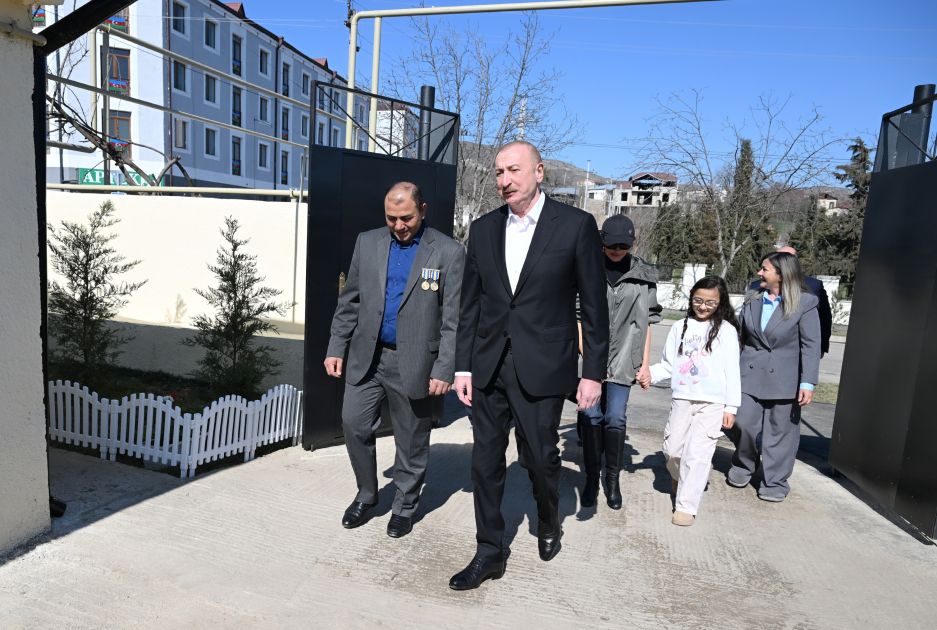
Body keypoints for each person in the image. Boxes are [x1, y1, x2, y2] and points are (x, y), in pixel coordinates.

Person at [448, 141, 609, 590]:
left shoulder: (575, 226)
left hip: (544, 364)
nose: (505, 180)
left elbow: (594, 307)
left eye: (513, 170)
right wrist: (463, 367)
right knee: (484, 461)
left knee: (539, 458)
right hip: (488, 365)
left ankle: (548, 516)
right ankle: (489, 550)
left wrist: (592, 373)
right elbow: (470, 305)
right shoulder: (483, 229)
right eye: (499, 172)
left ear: (539, 172)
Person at [324, 181, 465, 538]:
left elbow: (453, 319)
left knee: (411, 440)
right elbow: (350, 301)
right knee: (353, 423)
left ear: (423, 210)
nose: (399, 225)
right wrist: (336, 347)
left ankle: (404, 505)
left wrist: (445, 367)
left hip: (414, 361)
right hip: (368, 357)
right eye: (391, 218)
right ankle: (367, 493)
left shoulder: (448, 252)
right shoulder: (367, 242)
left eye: (406, 218)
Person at [642, 276, 741, 526]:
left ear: (720, 303)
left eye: (710, 302)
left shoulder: (727, 331)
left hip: (713, 403)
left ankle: (686, 506)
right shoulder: (680, 327)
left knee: (698, 454)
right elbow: (669, 364)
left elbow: (732, 371)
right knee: (672, 450)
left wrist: (731, 407)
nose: (703, 306)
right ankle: (679, 477)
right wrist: (649, 374)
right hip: (682, 399)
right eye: (698, 300)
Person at [578, 214, 661, 510]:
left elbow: (648, 321)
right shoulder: (588, 267)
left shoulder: (644, 275)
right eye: (612, 244)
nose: (616, 250)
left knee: (615, 417)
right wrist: (587, 356)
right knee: (591, 416)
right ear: (602, 241)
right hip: (590, 358)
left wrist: (645, 364)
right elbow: (578, 315)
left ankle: (611, 480)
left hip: (626, 356)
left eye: (623, 246)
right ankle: (591, 478)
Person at [728, 251, 821, 502]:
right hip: (748, 373)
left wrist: (808, 382)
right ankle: (744, 463)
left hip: (785, 379)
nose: (759, 273)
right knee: (741, 422)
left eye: (764, 269)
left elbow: (811, 345)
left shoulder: (805, 303)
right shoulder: (753, 298)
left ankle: (775, 481)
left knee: (780, 433)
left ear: (781, 275)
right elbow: (739, 336)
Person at [749, 245, 832, 356]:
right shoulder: (756, 287)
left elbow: (824, 318)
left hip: (794, 353)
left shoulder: (813, 286)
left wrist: (822, 347)